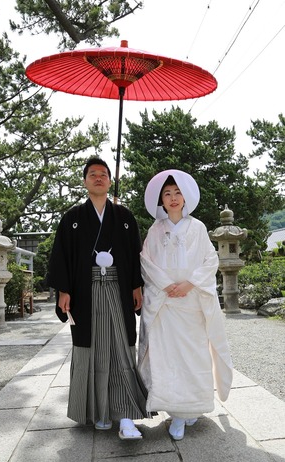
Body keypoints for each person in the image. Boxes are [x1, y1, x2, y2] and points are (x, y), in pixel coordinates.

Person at [47, 157, 148, 440]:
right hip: (85, 291)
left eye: (104, 174)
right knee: (91, 350)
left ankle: (125, 414)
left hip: (118, 288)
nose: (99, 178)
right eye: (93, 174)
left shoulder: (124, 217)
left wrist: (136, 285)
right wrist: (64, 290)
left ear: (110, 181)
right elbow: (62, 256)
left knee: (120, 348)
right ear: (85, 181)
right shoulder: (73, 219)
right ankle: (97, 412)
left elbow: (135, 254)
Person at [138, 169, 233, 441]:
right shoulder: (156, 230)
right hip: (166, 305)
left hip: (191, 303)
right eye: (167, 194)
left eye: (177, 192)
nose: (173, 198)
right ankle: (177, 413)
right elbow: (146, 261)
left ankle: (192, 406)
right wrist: (167, 284)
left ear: (185, 196)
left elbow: (210, 260)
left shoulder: (198, 227)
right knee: (168, 358)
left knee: (194, 356)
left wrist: (189, 283)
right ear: (162, 201)